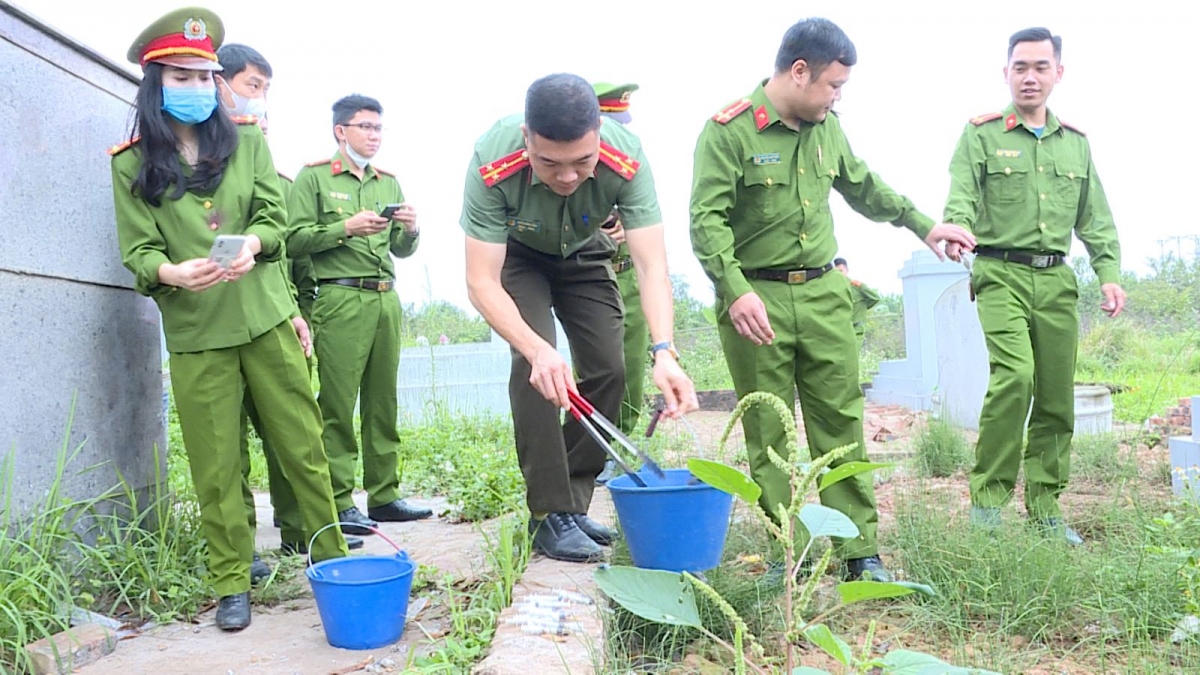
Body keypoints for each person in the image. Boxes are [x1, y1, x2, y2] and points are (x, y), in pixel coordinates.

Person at [689, 18, 976, 581]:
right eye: (833, 85)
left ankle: (858, 552)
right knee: (767, 431)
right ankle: (785, 555)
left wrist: (924, 226)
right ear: (800, 72)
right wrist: (735, 289)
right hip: (757, 303)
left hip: (823, 295)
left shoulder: (827, 129)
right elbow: (706, 222)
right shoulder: (729, 131)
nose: (837, 96)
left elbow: (863, 185)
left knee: (840, 424)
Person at [110, 7, 348, 631]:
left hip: (264, 317)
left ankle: (334, 560)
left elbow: (275, 219)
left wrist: (254, 246)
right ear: (154, 82)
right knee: (217, 465)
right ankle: (231, 581)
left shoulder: (247, 139)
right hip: (196, 332)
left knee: (303, 447)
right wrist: (171, 272)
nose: (194, 89)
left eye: (203, 77)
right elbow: (138, 252)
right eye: (179, 78)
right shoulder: (130, 163)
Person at [460, 73, 699, 562]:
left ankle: (571, 502)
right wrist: (537, 349)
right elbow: (482, 281)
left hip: (586, 252)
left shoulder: (627, 158)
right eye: (550, 163)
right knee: (538, 372)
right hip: (519, 258)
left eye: (582, 162)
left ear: (599, 137)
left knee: (611, 367)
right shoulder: (492, 159)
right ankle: (548, 513)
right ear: (527, 139)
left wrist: (664, 350)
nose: (567, 177)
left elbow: (653, 266)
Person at [943, 27, 1125, 544]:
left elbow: (1096, 218)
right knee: (1015, 377)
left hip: (1056, 280)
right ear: (1006, 73)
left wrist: (1109, 273)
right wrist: (956, 229)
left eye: (1041, 67)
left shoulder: (1076, 146)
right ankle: (988, 503)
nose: (1030, 76)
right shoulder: (981, 134)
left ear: (1058, 74)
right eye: (1020, 67)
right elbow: (960, 193)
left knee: (1055, 396)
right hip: (999, 273)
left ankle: (1045, 507)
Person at [214, 43, 363, 557]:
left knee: (294, 433)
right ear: (220, 83)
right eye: (252, 87)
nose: (259, 104)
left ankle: (303, 531)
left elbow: (284, 259)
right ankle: (241, 553)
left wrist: (297, 314)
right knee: (226, 447)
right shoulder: (191, 178)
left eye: (264, 92)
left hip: (275, 315)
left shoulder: (275, 182)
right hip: (216, 325)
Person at [287, 94, 432, 535]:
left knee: (382, 400)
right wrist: (344, 228)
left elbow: (402, 250)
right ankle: (338, 499)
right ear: (340, 131)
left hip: (385, 299)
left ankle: (384, 495)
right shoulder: (313, 179)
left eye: (379, 128)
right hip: (340, 297)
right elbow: (292, 240)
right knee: (337, 402)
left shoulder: (388, 182)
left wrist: (411, 228)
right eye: (365, 127)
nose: (374, 136)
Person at [590, 82, 646, 486]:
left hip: (631, 275)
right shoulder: (570, 165)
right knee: (600, 371)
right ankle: (595, 451)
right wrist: (604, 237)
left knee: (633, 372)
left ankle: (623, 448)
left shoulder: (629, 162)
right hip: (593, 278)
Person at [833, 257, 880, 348]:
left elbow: (875, 298)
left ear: (847, 271)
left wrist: (862, 287)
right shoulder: (833, 290)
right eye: (836, 272)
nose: (840, 274)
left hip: (856, 329)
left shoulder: (857, 287)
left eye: (841, 271)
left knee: (853, 356)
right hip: (840, 330)